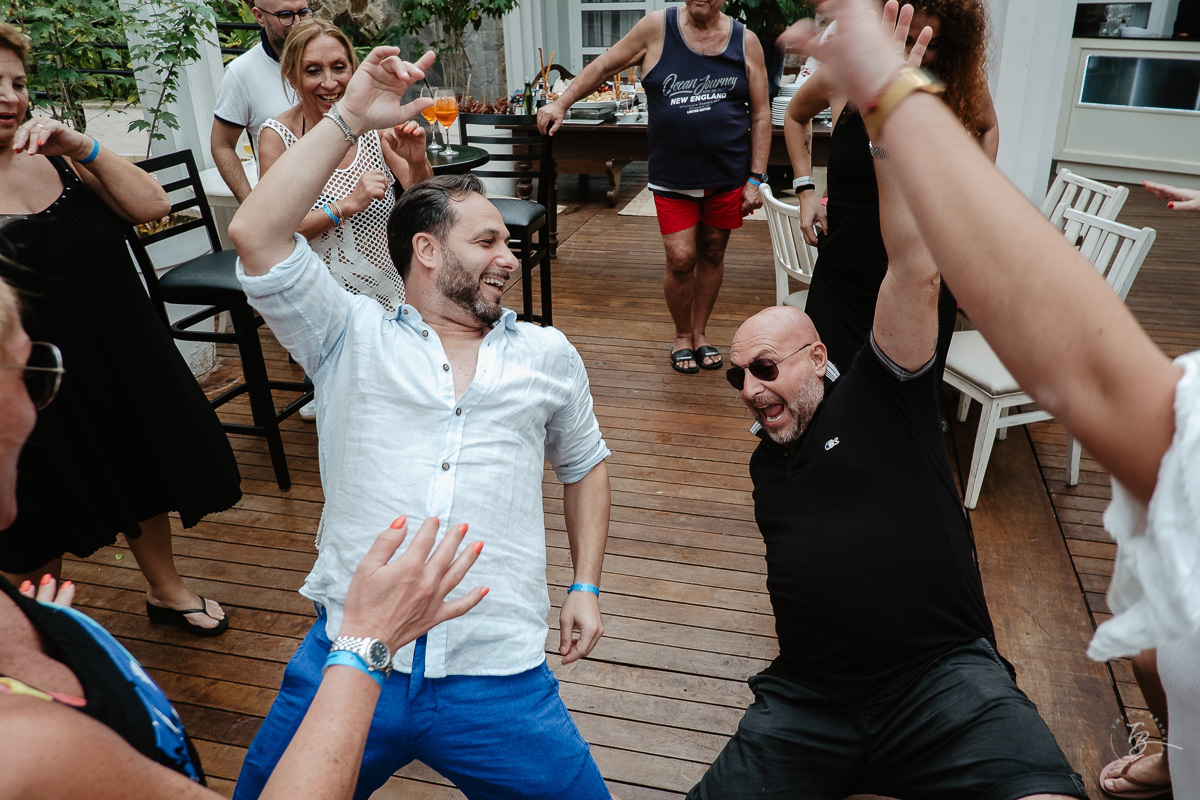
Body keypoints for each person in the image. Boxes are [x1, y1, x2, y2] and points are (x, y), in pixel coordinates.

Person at [782, 0, 1200, 796]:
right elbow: (798, 118)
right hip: (843, 283)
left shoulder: (973, 116)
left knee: (903, 432)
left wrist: (897, 116)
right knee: (828, 417)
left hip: (915, 291)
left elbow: (952, 249)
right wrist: (807, 186)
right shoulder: (844, 85)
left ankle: (895, 568)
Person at [228, 49, 615, 800]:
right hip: (349, 659)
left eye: (508, 241)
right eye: (490, 241)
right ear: (427, 252)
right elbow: (256, 234)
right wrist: (349, 117)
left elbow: (585, 462)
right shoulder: (347, 333)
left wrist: (587, 585)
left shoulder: (547, 352)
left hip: (496, 673)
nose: (510, 255)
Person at [0, 272, 487, 799]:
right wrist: (368, 640)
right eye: (28, 373)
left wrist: (47, 630)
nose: (41, 404)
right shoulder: (26, 745)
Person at [0, 24, 241, 636]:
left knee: (140, 467)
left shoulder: (58, 156)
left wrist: (83, 146)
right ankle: (42, 633)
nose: (9, 96)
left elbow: (152, 207)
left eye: (18, 83)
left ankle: (166, 588)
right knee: (41, 503)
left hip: (117, 349)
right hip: (31, 379)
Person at [538, 0, 770, 375]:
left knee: (712, 252)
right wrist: (562, 102)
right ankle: (681, 335)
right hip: (674, 175)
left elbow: (760, 113)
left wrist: (756, 178)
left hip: (727, 174)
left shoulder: (746, 41)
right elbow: (604, 65)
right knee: (681, 258)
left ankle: (700, 333)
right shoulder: (655, 28)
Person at [784, 0, 997, 374]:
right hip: (844, 270)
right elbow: (795, 115)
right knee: (823, 386)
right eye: (908, 38)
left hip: (920, 277)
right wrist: (805, 192)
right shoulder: (842, 76)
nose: (916, 53)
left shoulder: (958, 85)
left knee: (902, 398)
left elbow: (988, 127)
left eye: (931, 44)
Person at [259, 20, 433, 314]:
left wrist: (417, 160)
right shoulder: (277, 137)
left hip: (395, 293)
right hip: (325, 305)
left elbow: (423, 203)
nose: (329, 83)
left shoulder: (373, 124)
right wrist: (348, 204)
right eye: (313, 70)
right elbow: (273, 231)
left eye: (339, 67)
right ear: (291, 77)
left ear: (354, 70)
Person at [210, 0, 311, 203]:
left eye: (303, 12)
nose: (298, 22)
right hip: (285, 205)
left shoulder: (332, 58)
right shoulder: (242, 73)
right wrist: (251, 206)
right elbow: (222, 146)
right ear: (259, 16)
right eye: (285, 15)